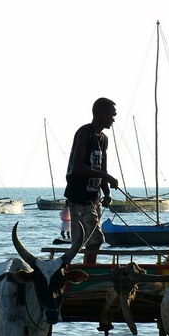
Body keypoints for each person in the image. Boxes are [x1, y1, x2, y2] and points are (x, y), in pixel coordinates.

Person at [64, 97, 119, 263]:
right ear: (101, 113)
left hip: (93, 198)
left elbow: (102, 169)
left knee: (91, 241)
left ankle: (87, 269)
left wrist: (107, 193)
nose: (113, 119)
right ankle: (85, 271)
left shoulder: (104, 139)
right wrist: (106, 177)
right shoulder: (84, 133)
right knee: (91, 239)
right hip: (79, 197)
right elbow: (77, 166)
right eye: (112, 115)